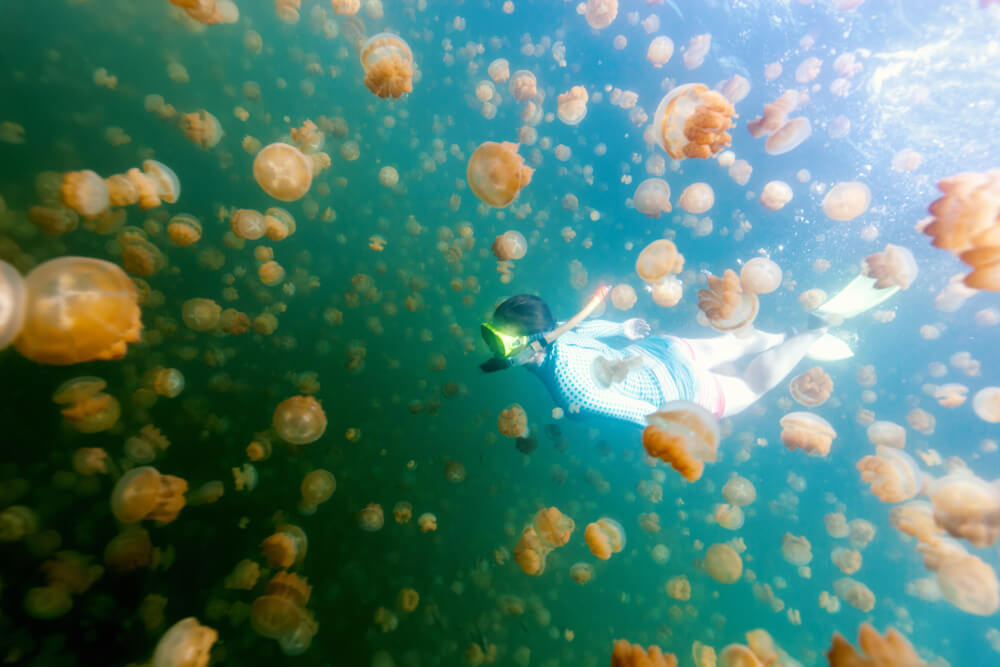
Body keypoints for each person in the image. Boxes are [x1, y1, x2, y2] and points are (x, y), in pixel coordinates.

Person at [480, 276, 896, 427]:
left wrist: (675, 432)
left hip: (676, 393)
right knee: (732, 343)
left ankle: (811, 332)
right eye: (490, 337)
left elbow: (637, 415)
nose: (496, 352)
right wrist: (622, 327)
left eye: (498, 342)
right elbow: (584, 327)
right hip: (663, 351)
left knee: (750, 387)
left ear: (527, 343)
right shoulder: (559, 334)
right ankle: (782, 334)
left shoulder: (572, 390)